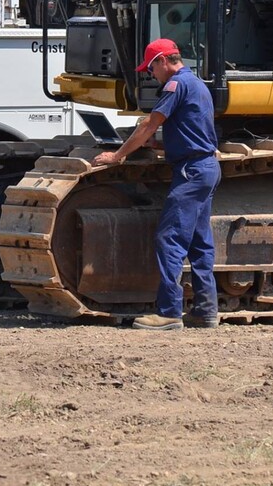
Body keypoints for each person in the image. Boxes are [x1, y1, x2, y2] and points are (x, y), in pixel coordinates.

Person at [92, 38, 221, 330]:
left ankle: (168, 313)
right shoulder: (198, 84)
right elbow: (191, 130)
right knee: (200, 242)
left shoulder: (175, 85)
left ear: (164, 61)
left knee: (170, 238)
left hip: (190, 171)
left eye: (151, 69)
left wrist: (118, 155)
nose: (151, 75)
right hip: (205, 167)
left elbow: (150, 123)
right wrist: (160, 145)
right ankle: (205, 310)